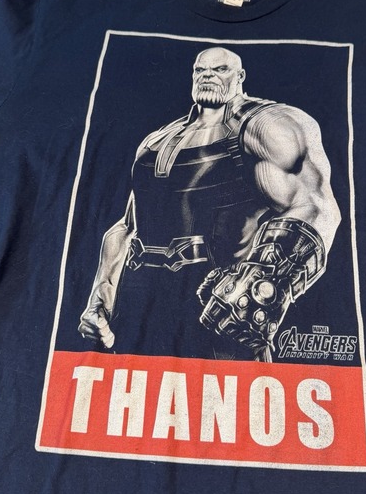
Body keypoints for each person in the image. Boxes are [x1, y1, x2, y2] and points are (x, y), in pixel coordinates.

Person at [79, 46, 341, 361]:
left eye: (220, 70)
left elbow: (316, 206)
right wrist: (100, 299)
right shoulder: (157, 140)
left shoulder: (267, 125)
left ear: (240, 76)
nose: (208, 76)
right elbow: (127, 227)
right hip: (140, 314)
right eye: (200, 70)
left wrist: (263, 287)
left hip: (217, 313)